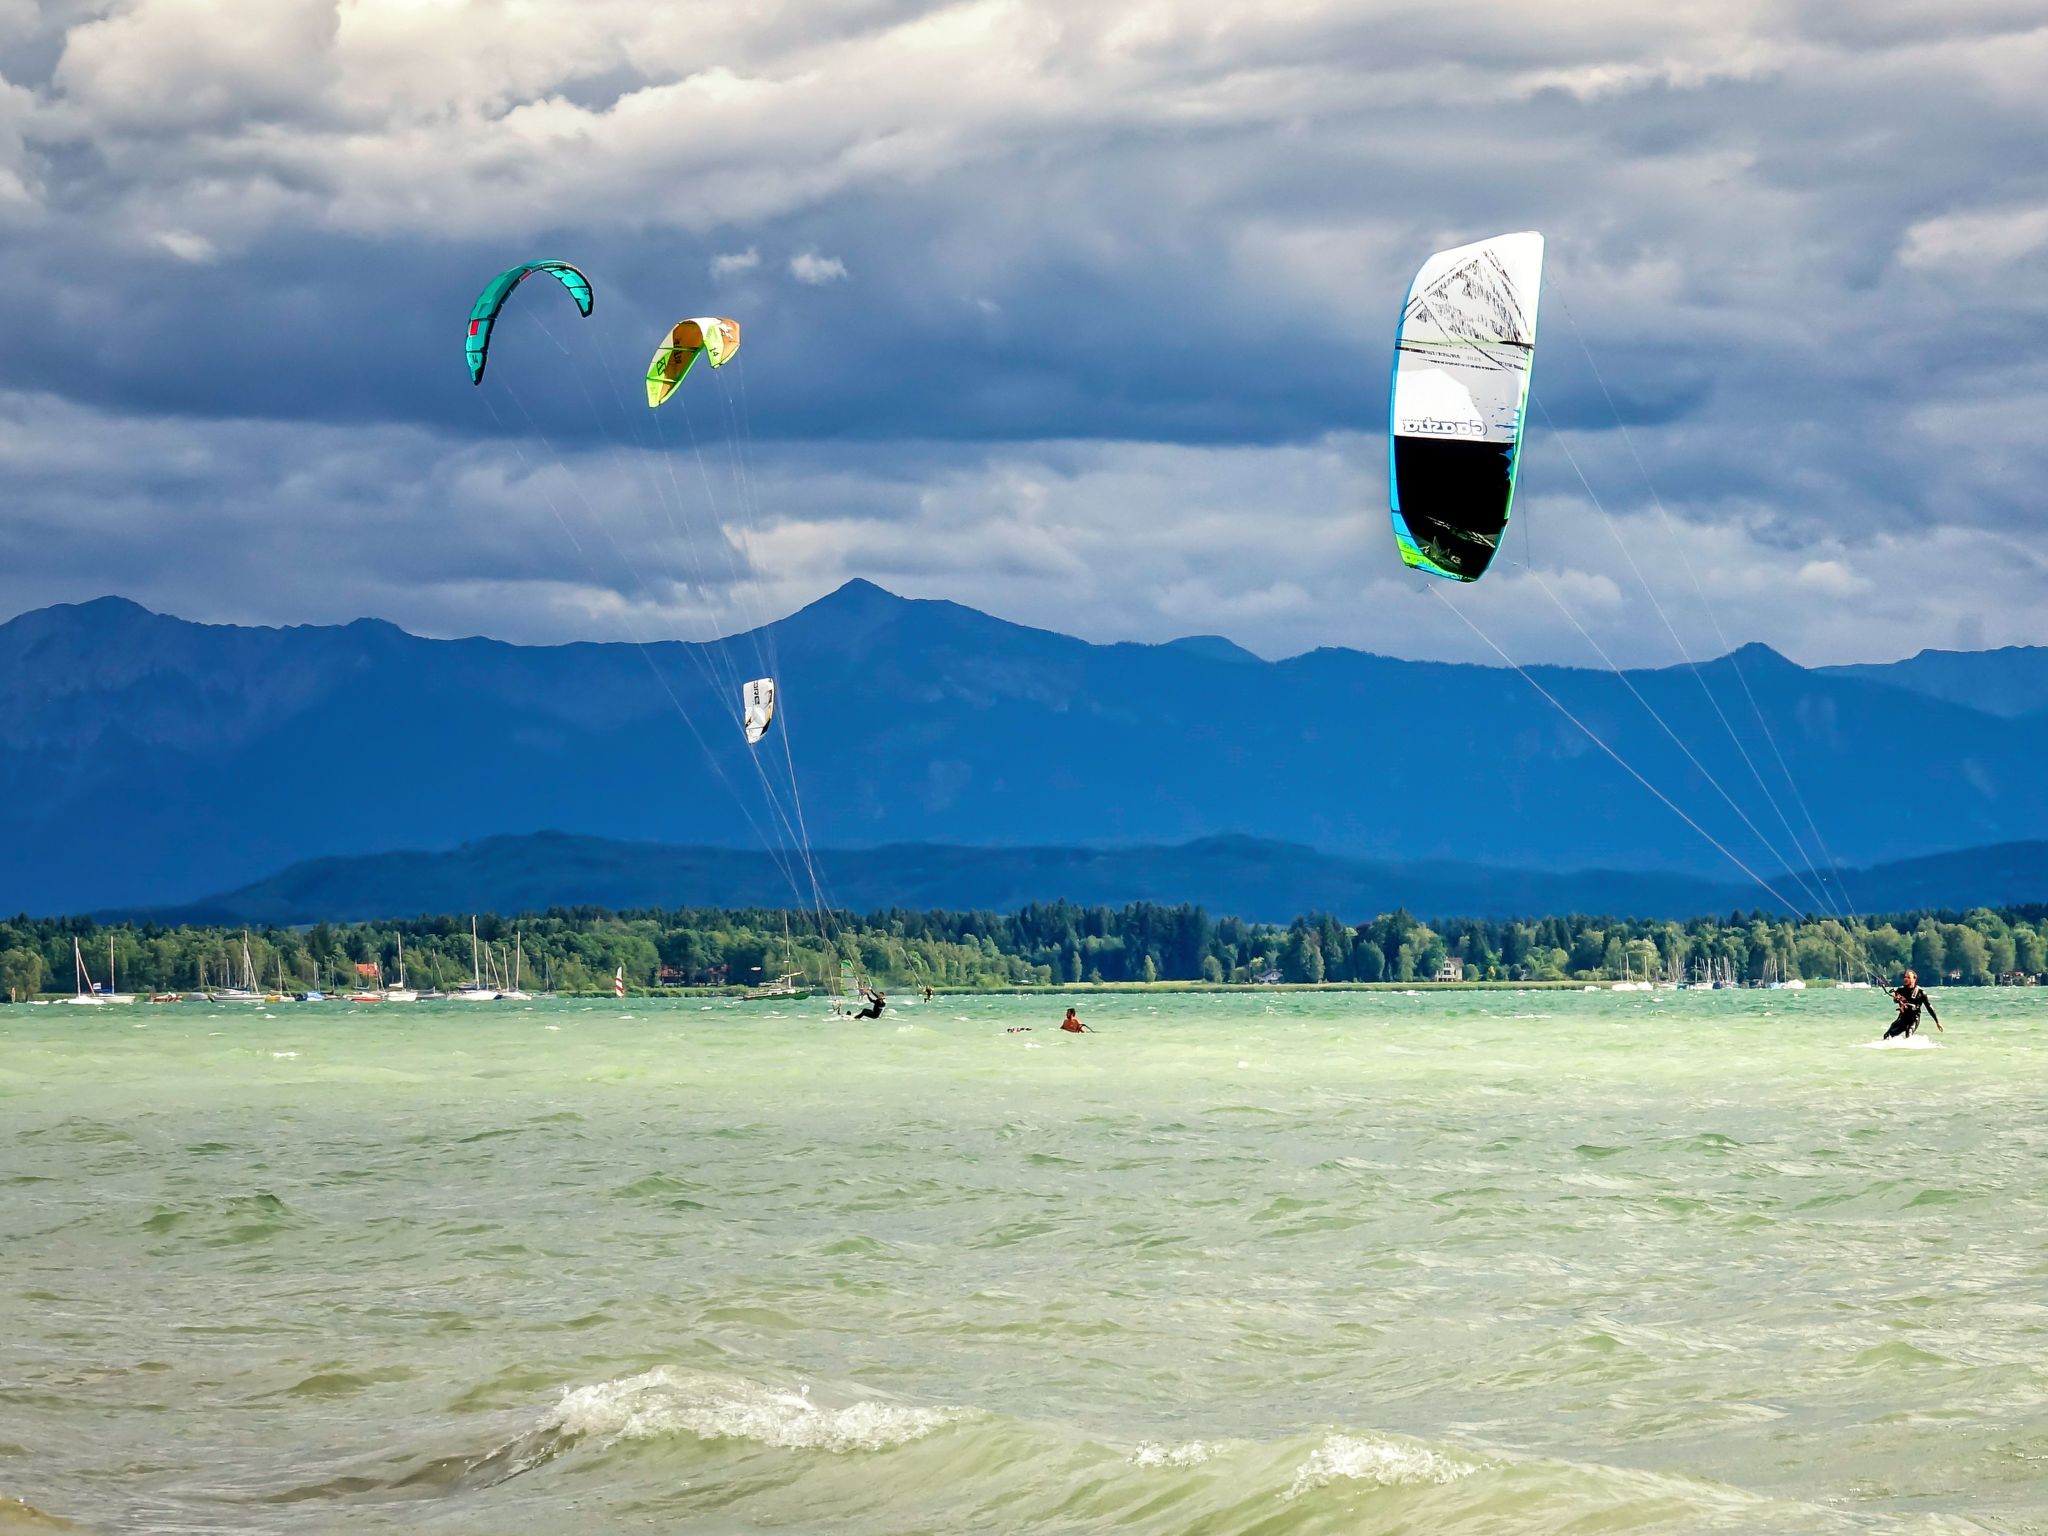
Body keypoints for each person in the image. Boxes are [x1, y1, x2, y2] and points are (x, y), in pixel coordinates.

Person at [1883, 969, 1941, 1039]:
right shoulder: (1900, 990)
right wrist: (1896, 999)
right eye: (1905, 977)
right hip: (1902, 1018)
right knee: (1887, 1036)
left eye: (1908, 977)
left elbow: (1929, 1007)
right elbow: (1895, 1000)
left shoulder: (1921, 993)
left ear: (1914, 979)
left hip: (1914, 1019)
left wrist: (1937, 1022)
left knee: (1909, 1033)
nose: (1905, 979)